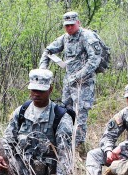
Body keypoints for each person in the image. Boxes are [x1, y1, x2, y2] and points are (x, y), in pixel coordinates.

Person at [39, 11, 101, 154]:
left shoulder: (87, 37)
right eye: (67, 26)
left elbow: (94, 60)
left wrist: (78, 76)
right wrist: (43, 70)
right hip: (68, 84)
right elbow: (48, 51)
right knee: (66, 113)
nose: (69, 28)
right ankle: (64, 144)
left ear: (78, 23)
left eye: (72, 25)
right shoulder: (65, 38)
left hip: (83, 84)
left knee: (80, 115)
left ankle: (78, 149)